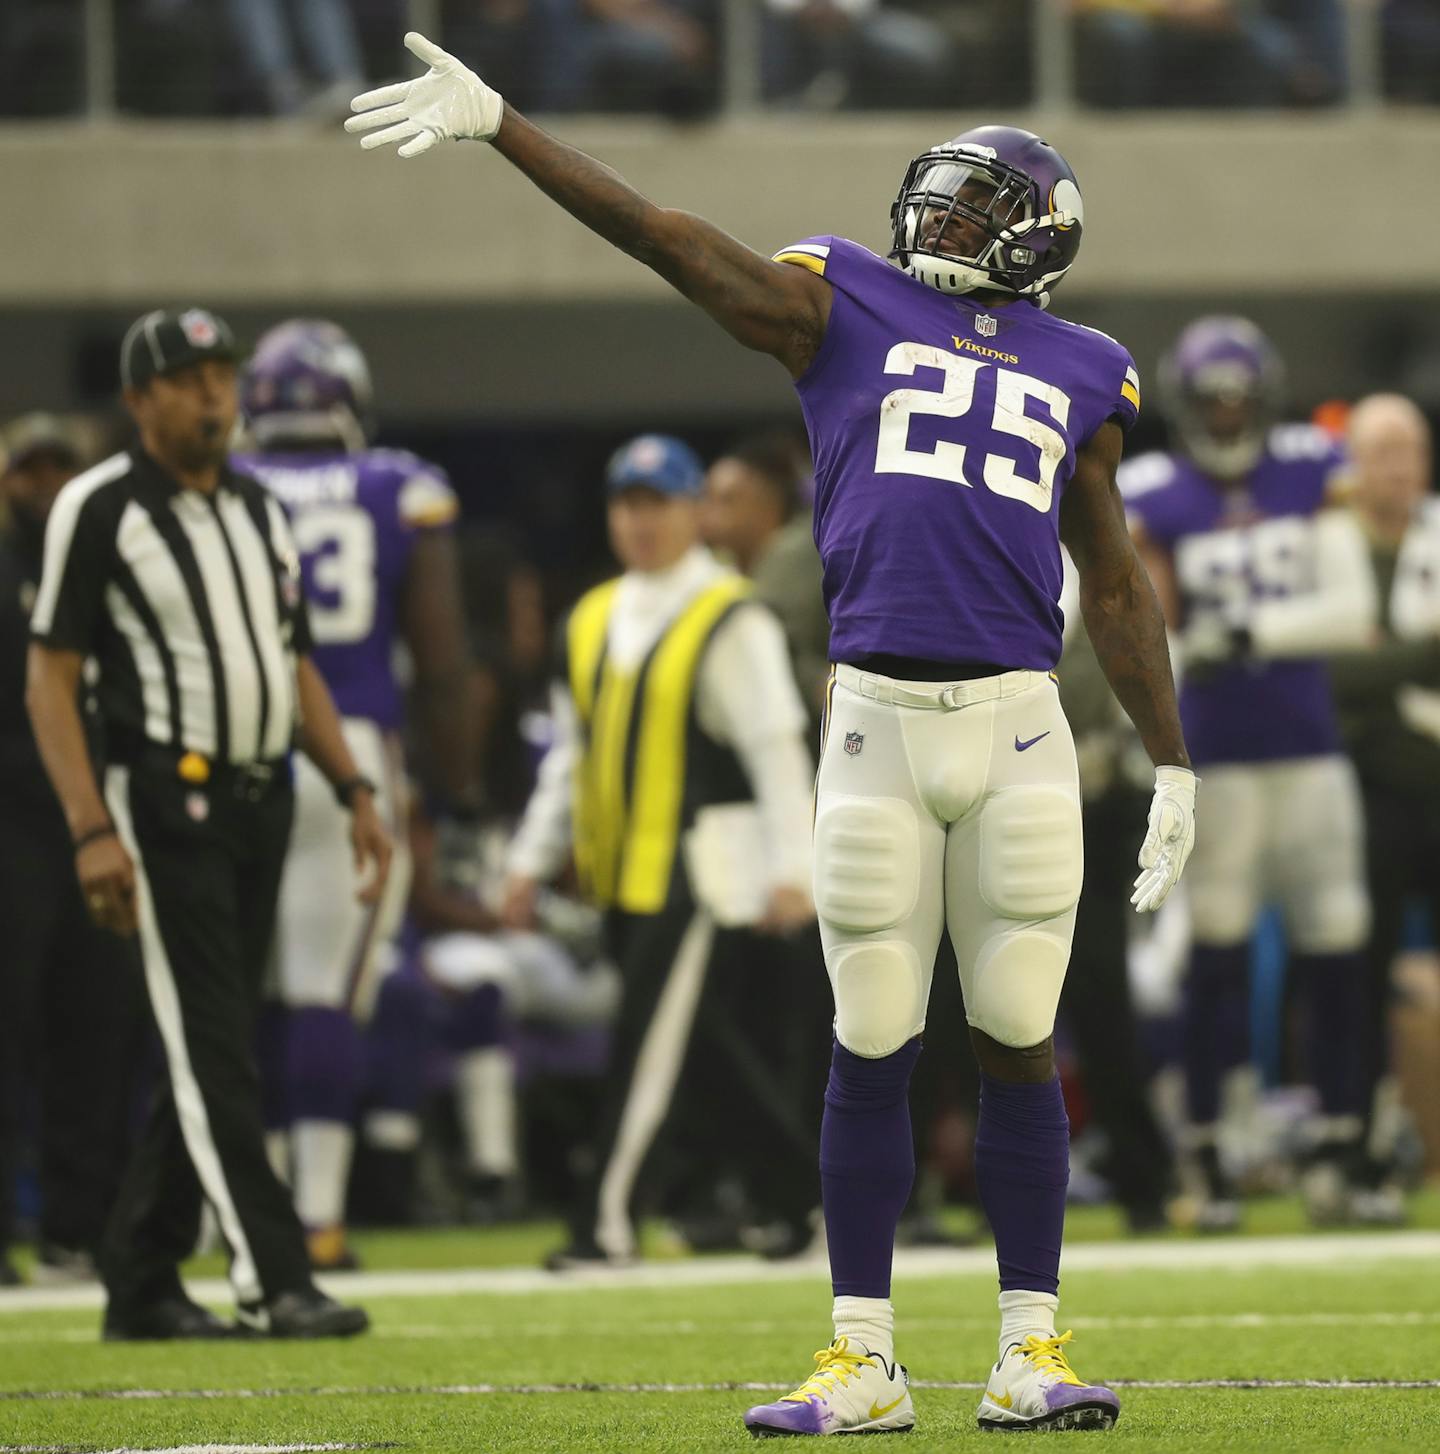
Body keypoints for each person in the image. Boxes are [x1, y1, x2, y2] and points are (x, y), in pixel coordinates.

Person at [347, 40, 1197, 1434]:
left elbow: (1110, 577)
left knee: (1017, 1030)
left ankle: (1028, 1349)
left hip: (1020, 724)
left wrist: (1172, 755)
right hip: (870, 711)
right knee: (868, 1035)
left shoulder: (1090, 366)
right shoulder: (842, 300)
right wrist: (508, 125)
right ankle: (861, 1354)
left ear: (1038, 239)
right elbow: (675, 242)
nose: (943, 220)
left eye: (980, 207)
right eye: (945, 197)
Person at [26, 307, 388, 1340]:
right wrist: (91, 825)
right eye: (187, 379)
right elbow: (50, 677)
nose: (214, 395)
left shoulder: (260, 510)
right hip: (162, 799)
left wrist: (355, 788)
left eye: (222, 374)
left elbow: (295, 660)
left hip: (264, 798)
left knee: (206, 1044)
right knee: (215, 1044)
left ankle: (140, 1276)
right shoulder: (99, 508)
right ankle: (275, 1274)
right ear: (141, 399)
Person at [499, 433, 820, 1268]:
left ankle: (601, 1221)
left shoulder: (727, 612)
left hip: (703, 871)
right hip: (619, 876)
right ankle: (796, 1195)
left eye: (660, 504)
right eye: (627, 504)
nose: (642, 522)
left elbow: (775, 746)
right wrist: (531, 861)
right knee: (703, 1053)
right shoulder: (594, 615)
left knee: (646, 1048)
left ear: (692, 513)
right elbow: (573, 755)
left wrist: (799, 868)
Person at [233, 318, 478, 1272]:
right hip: (353, 758)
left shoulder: (224, 485)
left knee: (235, 994)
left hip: (235, 750)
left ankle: (232, 1212)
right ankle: (316, 1221)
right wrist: (457, 787)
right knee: (325, 993)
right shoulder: (398, 487)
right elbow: (445, 657)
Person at [1122, 316, 1375, 1230]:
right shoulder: (1152, 491)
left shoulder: (1313, 464)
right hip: (1217, 760)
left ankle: (1345, 1141)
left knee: (1339, 942)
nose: (1227, 417)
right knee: (1217, 950)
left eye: (1240, 399)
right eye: (1212, 401)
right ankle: (1206, 1147)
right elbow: (1137, 621)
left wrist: (1242, 636)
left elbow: (1355, 610)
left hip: (1307, 750)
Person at [0, 415, 142, 1286]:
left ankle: (76, 1229)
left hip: (98, 822)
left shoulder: (113, 571)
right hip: (10, 826)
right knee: (8, 1033)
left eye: (61, 470)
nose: (45, 486)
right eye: (29, 471)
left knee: (99, 1031)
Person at [1327, 394, 1440, 1219]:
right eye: (1381, 453)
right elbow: (1327, 675)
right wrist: (1415, 660)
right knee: (1357, 975)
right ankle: (1359, 1150)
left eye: (1409, 452)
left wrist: (1381, 661)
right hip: (1367, 790)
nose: (1397, 469)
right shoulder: (1330, 547)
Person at [702, 431, 831, 719]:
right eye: (706, 499)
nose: (708, 513)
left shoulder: (795, 556)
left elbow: (786, 655)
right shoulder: (714, 565)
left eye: (727, 500)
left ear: (767, 504)